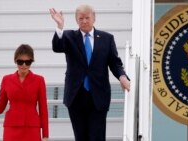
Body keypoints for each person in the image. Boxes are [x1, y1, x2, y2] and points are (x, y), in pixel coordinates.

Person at [49, 4, 130, 141]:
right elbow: (57, 47)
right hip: (76, 96)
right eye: (81, 18)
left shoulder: (107, 38)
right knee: (81, 137)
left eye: (87, 18)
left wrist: (122, 77)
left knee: (97, 137)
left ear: (94, 18)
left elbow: (115, 63)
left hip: (98, 96)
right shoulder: (69, 36)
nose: (84, 21)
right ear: (76, 20)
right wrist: (60, 26)